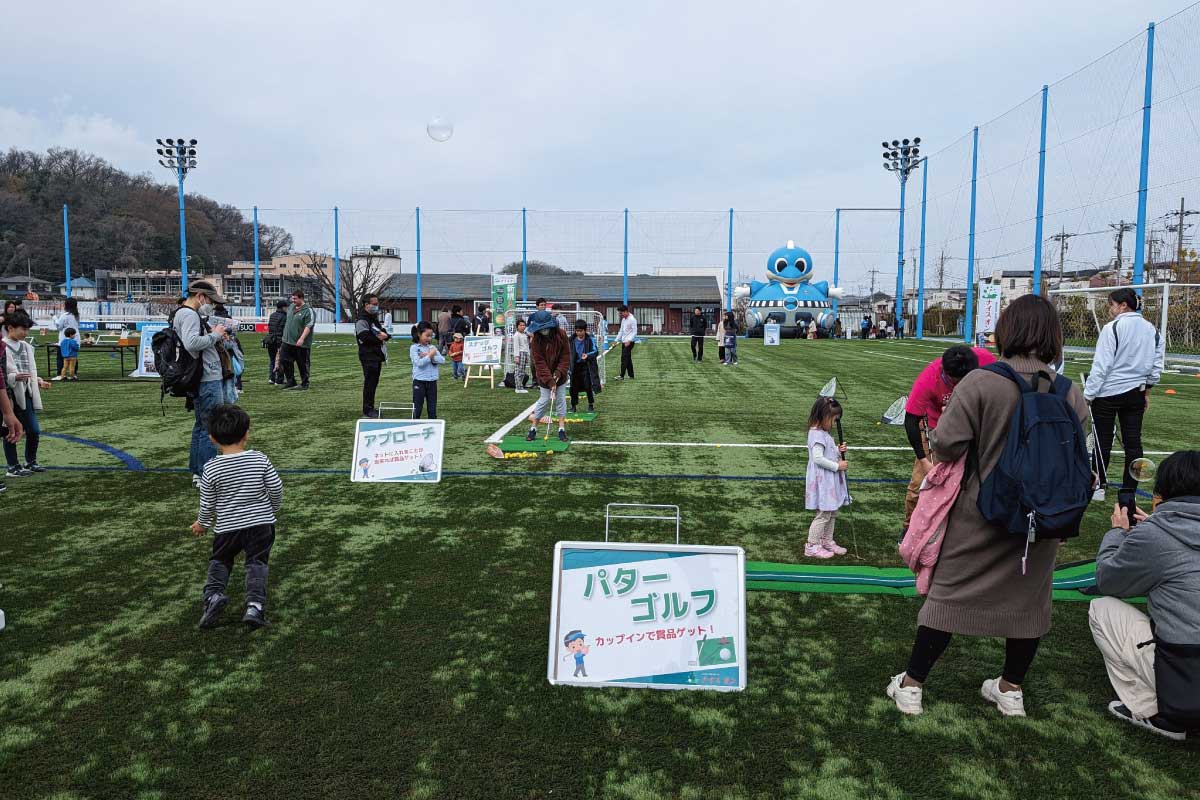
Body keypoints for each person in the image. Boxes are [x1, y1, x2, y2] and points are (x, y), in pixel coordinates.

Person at [886, 294, 1090, 718]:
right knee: (1030, 604)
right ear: (1054, 337)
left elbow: (945, 445)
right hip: (1043, 519)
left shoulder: (982, 382)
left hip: (980, 512)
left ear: (1007, 332)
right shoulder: (1071, 392)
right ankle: (1010, 689)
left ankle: (911, 685)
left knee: (947, 596)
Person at [1090, 451, 1200, 741]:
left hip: (1187, 679)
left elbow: (1108, 581)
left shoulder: (1155, 535)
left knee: (1102, 609)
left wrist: (1118, 533)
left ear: (1162, 491)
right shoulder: (1158, 532)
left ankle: (1157, 713)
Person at [191, 404, 282, 630]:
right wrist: (273, 508)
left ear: (212, 438)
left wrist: (202, 523)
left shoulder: (210, 469)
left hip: (227, 527)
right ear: (246, 434)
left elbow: (207, 503)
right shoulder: (259, 459)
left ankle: (212, 596)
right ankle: (254, 606)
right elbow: (276, 488)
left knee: (220, 560)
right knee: (256, 562)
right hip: (261, 524)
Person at [900, 345, 996, 539]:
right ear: (945, 373)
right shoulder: (929, 378)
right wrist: (924, 460)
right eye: (958, 383)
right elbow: (911, 420)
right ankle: (909, 527)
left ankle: (970, 528)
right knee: (920, 483)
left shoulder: (985, 359)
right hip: (937, 429)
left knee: (976, 480)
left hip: (974, 426)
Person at [1084, 288, 1165, 502]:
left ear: (1123, 305)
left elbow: (1101, 366)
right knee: (1133, 441)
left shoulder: (1113, 328)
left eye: (1112, 305)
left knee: (1102, 440)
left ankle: (1098, 486)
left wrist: (1088, 395)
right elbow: (1156, 366)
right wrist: (1147, 390)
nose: (1110, 309)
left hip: (1107, 393)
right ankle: (1129, 491)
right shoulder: (1153, 330)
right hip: (1135, 393)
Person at [174, 280, 229, 487]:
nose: (211, 305)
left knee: (201, 425)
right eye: (210, 300)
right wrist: (215, 335)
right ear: (200, 296)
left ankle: (199, 472)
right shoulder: (189, 314)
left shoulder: (182, 313)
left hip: (200, 377)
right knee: (211, 427)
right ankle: (208, 475)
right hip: (207, 377)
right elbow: (192, 343)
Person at [2, 310, 49, 477]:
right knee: (10, 430)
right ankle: (12, 466)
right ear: (10, 328)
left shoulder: (27, 347)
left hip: (25, 392)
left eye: (27, 329)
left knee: (33, 430)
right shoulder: (2, 346)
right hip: (8, 394)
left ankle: (30, 461)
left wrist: (38, 380)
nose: (26, 333)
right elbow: (2, 374)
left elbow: (31, 371)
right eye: (23, 329)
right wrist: (13, 377)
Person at [804, 396, 850, 559]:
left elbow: (827, 453)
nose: (834, 423)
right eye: (833, 420)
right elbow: (817, 459)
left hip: (829, 480)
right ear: (822, 417)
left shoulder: (823, 433)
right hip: (823, 480)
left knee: (832, 511)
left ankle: (826, 540)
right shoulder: (817, 436)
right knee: (824, 513)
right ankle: (812, 545)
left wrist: (838, 450)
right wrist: (838, 466)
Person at [525, 310, 570, 442]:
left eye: (546, 328)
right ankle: (533, 428)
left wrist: (558, 373)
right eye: (541, 328)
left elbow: (565, 356)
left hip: (560, 376)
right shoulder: (536, 341)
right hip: (544, 378)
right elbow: (539, 363)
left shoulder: (561, 335)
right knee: (544, 400)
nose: (544, 331)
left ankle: (561, 428)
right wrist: (550, 381)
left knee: (561, 399)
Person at [356, 293, 390, 418]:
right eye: (374, 304)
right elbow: (364, 337)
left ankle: (370, 406)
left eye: (377, 304)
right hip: (368, 355)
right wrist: (380, 338)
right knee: (370, 383)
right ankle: (367, 409)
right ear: (366, 305)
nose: (377, 306)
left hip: (376, 355)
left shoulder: (373, 319)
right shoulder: (362, 320)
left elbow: (383, 332)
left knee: (373, 383)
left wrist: (385, 336)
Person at [279, 290, 314, 391]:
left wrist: (302, 338)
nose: (292, 300)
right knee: (284, 360)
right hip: (287, 341)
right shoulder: (290, 307)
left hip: (300, 343)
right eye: (292, 298)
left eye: (295, 298)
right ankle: (291, 381)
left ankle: (304, 383)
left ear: (301, 298)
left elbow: (309, 325)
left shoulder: (308, 310)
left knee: (302, 363)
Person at [410, 321, 445, 418]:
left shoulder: (432, 347)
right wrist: (430, 355)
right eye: (427, 335)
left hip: (432, 381)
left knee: (432, 408)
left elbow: (442, 360)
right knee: (417, 407)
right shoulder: (414, 348)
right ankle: (414, 426)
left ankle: (433, 426)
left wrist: (430, 356)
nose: (429, 338)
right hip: (419, 381)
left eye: (431, 336)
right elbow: (419, 363)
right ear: (419, 334)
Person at [569, 319, 601, 413]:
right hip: (575, 366)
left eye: (581, 331)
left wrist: (588, 355)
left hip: (586, 366)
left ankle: (590, 404)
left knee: (588, 386)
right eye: (577, 331)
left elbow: (596, 351)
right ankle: (573, 406)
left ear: (585, 330)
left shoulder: (590, 338)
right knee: (573, 387)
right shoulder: (571, 340)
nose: (579, 333)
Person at [51, 298, 80, 381]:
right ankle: (73, 374)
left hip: (64, 340)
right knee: (74, 357)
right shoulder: (76, 315)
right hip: (75, 339)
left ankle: (61, 374)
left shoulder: (65, 315)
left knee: (61, 357)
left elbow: (59, 327)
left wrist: (54, 318)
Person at [265, 300, 288, 385]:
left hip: (271, 340)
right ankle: (279, 379)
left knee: (272, 360)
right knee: (281, 360)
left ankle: (272, 378)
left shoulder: (272, 315)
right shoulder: (285, 317)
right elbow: (283, 330)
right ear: (284, 307)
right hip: (279, 340)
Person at [615, 304, 637, 381]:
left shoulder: (632, 319)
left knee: (624, 358)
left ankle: (621, 376)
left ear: (626, 311)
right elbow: (621, 331)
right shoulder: (624, 320)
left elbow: (635, 332)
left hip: (629, 342)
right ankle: (631, 376)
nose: (620, 315)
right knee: (628, 359)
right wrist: (616, 340)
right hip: (624, 342)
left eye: (621, 313)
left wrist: (629, 340)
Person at [511, 318, 530, 392]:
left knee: (522, 371)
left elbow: (527, 345)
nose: (523, 327)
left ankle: (521, 386)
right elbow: (516, 346)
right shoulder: (516, 335)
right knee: (518, 371)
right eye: (521, 325)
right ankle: (518, 387)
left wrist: (528, 355)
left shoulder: (524, 334)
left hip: (525, 353)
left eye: (524, 325)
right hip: (520, 353)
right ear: (517, 326)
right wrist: (516, 356)